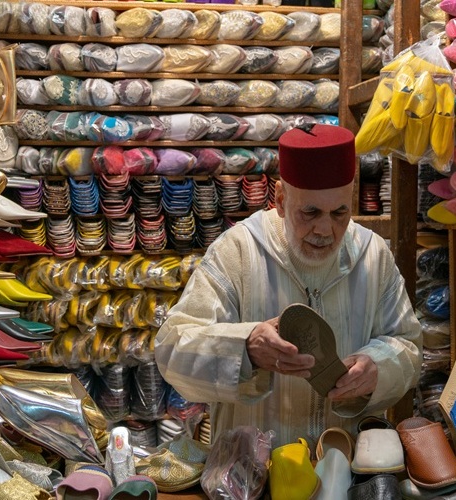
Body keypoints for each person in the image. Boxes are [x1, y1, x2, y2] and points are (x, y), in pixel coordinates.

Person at [155, 124, 422, 445]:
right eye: (309, 212)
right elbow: (172, 349)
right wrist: (245, 348)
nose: (325, 229)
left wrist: (378, 367)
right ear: (281, 199)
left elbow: (407, 344)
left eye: (340, 212)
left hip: (342, 466)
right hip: (252, 474)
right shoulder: (239, 250)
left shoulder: (372, 254)